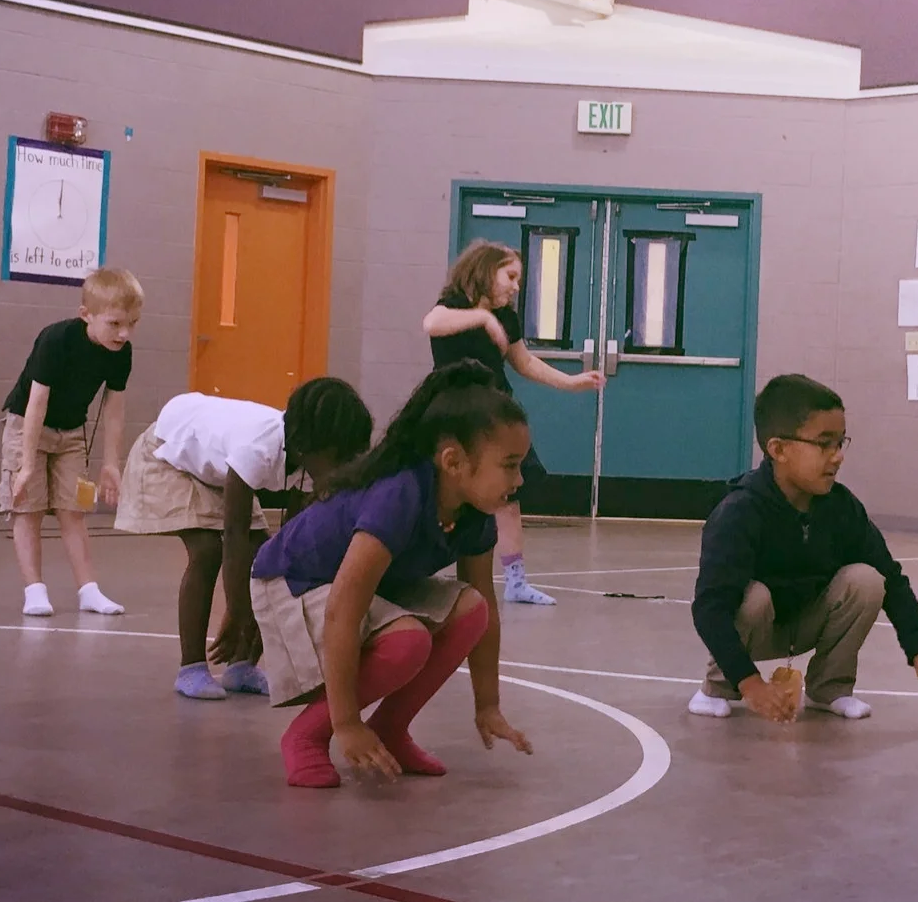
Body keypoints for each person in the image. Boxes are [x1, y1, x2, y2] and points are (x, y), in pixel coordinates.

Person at [246, 361, 533, 788]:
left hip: (361, 588)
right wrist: (345, 723)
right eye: (509, 465)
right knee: (407, 641)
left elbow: (483, 600)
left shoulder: (476, 511)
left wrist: (487, 704)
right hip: (292, 582)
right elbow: (344, 607)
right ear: (453, 461)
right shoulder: (400, 494)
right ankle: (307, 735)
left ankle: (389, 729)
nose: (519, 478)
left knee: (470, 611)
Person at [689, 374, 918, 720]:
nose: (837, 457)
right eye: (824, 444)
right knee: (753, 597)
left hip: (806, 622)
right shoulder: (739, 513)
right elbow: (709, 608)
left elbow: (892, 579)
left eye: (840, 443)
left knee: (866, 580)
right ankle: (719, 687)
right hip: (756, 628)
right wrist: (752, 684)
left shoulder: (841, 507)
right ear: (778, 449)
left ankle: (829, 689)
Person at [115, 377, 375, 700]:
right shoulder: (257, 448)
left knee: (266, 562)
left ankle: (242, 666)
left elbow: (285, 547)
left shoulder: (307, 461)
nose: (344, 469)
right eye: (341, 458)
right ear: (313, 447)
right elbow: (234, 533)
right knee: (208, 550)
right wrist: (238, 611)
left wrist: (266, 593)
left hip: (214, 465)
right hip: (169, 452)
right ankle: (191, 667)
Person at [421, 239, 602, 606]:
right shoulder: (453, 304)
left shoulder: (508, 318)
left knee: (507, 497)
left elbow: (525, 363)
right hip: (453, 409)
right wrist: (482, 317)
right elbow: (432, 323)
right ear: (486, 270)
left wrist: (572, 382)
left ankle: (516, 580)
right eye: (511, 276)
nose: (516, 286)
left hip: (493, 409)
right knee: (433, 490)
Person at [0, 267, 140, 617]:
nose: (124, 333)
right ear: (85, 315)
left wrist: (111, 463)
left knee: (73, 511)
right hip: (27, 426)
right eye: (115, 323)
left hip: (72, 433)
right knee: (27, 509)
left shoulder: (121, 352)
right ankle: (34, 590)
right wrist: (28, 463)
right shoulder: (56, 339)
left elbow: (114, 409)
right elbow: (36, 402)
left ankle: (88, 590)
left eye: (132, 324)